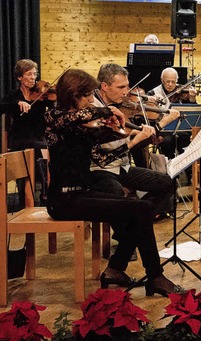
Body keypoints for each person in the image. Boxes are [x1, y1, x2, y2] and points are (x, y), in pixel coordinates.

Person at [44, 68, 183, 297]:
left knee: (138, 215)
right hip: (62, 199)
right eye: (87, 95)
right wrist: (106, 110)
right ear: (73, 94)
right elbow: (72, 117)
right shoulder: (54, 117)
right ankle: (154, 277)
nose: (91, 99)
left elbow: (104, 153)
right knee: (142, 210)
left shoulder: (82, 127)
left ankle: (117, 269)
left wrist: (121, 129)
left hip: (83, 193)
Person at [91, 63, 179, 220]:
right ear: (104, 86)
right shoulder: (93, 109)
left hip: (122, 167)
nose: (126, 92)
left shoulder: (117, 106)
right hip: (101, 170)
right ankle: (133, 226)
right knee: (117, 193)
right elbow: (106, 150)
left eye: (127, 86)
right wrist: (137, 136)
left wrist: (137, 133)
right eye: (121, 87)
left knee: (168, 183)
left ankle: (138, 218)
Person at [0, 59, 54, 206]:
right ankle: (39, 190)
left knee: (43, 146)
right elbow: (2, 107)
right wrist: (18, 103)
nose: (33, 78)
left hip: (39, 136)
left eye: (35, 74)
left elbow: (55, 105)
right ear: (19, 77)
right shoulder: (14, 95)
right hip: (20, 138)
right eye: (29, 74)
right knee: (38, 147)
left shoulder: (41, 95)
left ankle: (45, 189)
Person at [147, 67, 198, 161]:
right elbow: (148, 115)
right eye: (167, 81)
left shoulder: (183, 91)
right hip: (163, 130)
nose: (170, 85)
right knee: (167, 141)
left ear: (177, 80)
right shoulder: (153, 93)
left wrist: (192, 99)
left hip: (181, 129)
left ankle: (188, 169)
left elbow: (193, 112)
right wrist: (153, 102)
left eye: (173, 82)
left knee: (186, 139)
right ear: (162, 80)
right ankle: (170, 169)